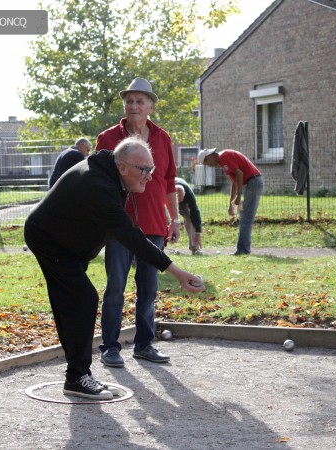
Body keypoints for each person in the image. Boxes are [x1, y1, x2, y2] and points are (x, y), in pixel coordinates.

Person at [24, 137, 203, 400]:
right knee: (83, 299)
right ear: (122, 167)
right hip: (51, 241)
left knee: (71, 303)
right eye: (144, 170)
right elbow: (130, 235)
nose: (149, 177)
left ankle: (75, 373)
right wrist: (176, 272)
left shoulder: (109, 170)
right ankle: (77, 376)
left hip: (65, 241)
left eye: (151, 170)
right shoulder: (98, 185)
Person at [96, 77, 181, 368]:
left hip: (155, 224)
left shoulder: (163, 138)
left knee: (149, 288)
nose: (134, 105)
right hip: (119, 227)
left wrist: (176, 219)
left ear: (150, 106)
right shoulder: (107, 138)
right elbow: (99, 181)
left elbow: (169, 182)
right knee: (115, 287)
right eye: (129, 100)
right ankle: (110, 347)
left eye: (140, 101)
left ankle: (144, 345)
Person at [198, 148, 264, 255]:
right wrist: (231, 205)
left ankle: (243, 250)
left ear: (209, 156)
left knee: (246, 217)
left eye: (206, 163)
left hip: (253, 182)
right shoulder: (222, 160)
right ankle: (243, 249)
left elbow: (239, 174)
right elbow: (234, 182)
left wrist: (238, 196)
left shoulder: (224, 157)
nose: (208, 166)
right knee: (244, 217)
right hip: (251, 183)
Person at [175, 177, 202, 255]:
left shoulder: (189, 194)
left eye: (180, 199)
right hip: (168, 201)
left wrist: (198, 232)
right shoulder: (167, 188)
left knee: (190, 219)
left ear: (184, 194)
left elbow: (195, 212)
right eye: (177, 199)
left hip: (185, 206)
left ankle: (194, 246)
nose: (178, 202)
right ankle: (160, 244)